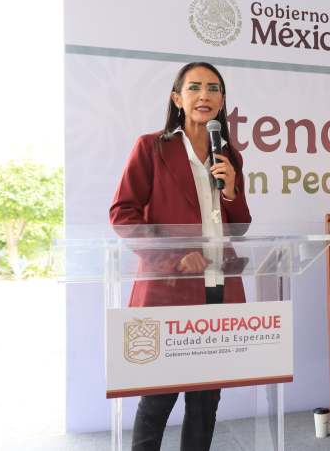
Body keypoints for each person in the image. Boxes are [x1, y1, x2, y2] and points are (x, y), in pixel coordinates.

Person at [110, 62, 252, 450]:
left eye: (213, 88)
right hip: (168, 289)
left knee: (206, 401)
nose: (204, 95)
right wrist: (174, 257)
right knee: (158, 399)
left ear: (222, 101)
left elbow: (239, 226)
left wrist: (231, 191)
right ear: (177, 98)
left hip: (219, 288)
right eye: (194, 88)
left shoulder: (230, 157)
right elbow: (123, 214)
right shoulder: (152, 147)